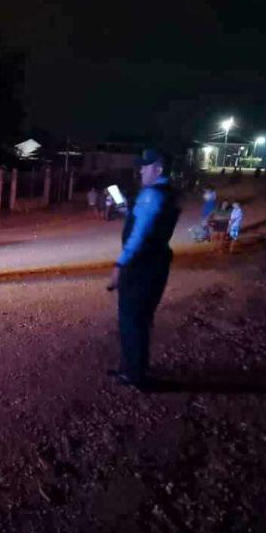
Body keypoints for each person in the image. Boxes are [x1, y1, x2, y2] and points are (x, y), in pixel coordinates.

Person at [106, 149, 180, 390]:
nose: (140, 170)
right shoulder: (166, 193)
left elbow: (139, 235)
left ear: (158, 169)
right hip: (156, 264)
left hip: (140, 266)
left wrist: (120, 264)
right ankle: (134, 368)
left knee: (131, 320)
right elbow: (145, 221)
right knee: (142, 319)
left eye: (145, 166)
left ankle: (134, 375)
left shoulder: (151, 195)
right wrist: (127, 212)